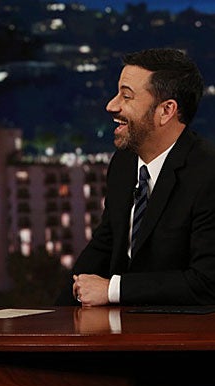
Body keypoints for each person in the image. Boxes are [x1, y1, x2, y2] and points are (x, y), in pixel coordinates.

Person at [56, 48, 215, 307]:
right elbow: (102, 249)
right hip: (121, 327)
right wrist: (52, 318)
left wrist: (113, 290)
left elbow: (207, 283)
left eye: (126, 96)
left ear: (166, 110)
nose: (111, 105)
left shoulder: (208, 172)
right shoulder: (124, 163)